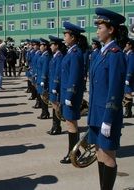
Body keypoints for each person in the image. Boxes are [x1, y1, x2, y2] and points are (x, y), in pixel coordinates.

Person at [88, 8, 128, 189]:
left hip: (107, 115)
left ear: (111, 29)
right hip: (96, 112)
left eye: (100, 26)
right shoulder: (100, 54)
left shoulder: (115, 55)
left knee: (108, 155)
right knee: (99, 152)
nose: (97, 30)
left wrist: (109, 120)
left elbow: (115, 90)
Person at [60, 22, 86, 164]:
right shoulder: (71, 51)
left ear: (73, 37)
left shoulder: (76, 54)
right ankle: (75, 151)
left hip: (71, 95)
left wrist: (69, 95)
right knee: (70, 123)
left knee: (71, 124)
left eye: (66, 34)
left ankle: (73, 153)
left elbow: (74, 77)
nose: (64, 37)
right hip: (66, 94)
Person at [48, 35, 66, 135]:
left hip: (56, 86)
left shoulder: (59, 57)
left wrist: (55, 86)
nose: (50, 47)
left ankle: (57, 127)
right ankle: (54, 126)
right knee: (54, 106)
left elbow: (58, 73)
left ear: (57, 46)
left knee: (56, 107)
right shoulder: (55, 56)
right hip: (52, 85)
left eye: (52, 45)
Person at [36, 38, 52, 119]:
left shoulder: (46, 56)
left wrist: (43, 80)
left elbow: (45, 69)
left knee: (44, 97)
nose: (40, 47)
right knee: (42, 96)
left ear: (45, 47)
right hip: (39, 78)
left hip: (43, 79)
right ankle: (44, 112)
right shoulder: (43, 55)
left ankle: (45, 113)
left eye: (41, 45)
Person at [123, 39, 134, 118]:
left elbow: (131, 67)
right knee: (126, 94)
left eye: (127, 44)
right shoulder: (127, 54)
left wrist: (128, 78)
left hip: (129, 79)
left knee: (128, 94)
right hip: (125, 77)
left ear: (130, 46)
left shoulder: (131, 55)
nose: (125, 45)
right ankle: (128, 111)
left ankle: (128, 112)